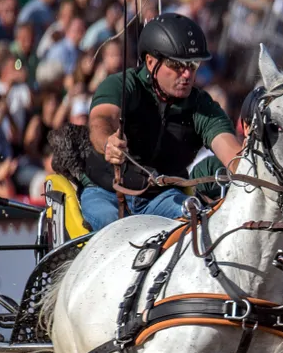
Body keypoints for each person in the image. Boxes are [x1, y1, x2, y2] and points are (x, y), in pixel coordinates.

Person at [80, 13, 239, 231]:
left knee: (197, 222)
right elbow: (102, 119)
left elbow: (233, 154)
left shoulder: (202, 106)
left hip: (161, 197)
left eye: (193, 65)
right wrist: (108, 141)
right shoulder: (122, 85)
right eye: (177, 65)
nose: (187, 74)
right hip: (105, 192)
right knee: (115, 228)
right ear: (151, 61)